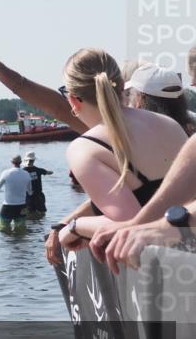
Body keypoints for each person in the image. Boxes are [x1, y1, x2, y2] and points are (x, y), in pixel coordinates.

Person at [55, 49, 187, 250]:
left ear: (73, 99)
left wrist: (75, 227)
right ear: (122, 85)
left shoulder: (85, 149)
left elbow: (133, 226)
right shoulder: (169, 124)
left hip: (164, 269)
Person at [0, 43, 88, 134]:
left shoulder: (98, 130)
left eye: (67, 92)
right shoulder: (104, 128)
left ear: (75, 100)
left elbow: (57, 106)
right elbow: (57, 106)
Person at [124, 62, 194, 136]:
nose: (128, 100)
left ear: (140, 99)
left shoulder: (132, 135)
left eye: (130, 94)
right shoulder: (191, 132)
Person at [0, 155, 32, 233]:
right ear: (21, 162)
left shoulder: (6, 173)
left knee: (4, 231)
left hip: (7, 207)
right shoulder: (26, 174)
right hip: (21, 207)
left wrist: (5, 191)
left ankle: (9, 244)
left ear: (11, 162)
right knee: (21, 232)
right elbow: (30, 192)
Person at [22, 152, 53, 218]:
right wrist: (49, 172)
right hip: (39, 196)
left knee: (29, 214)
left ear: (25, 160)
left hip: (27, 196)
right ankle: (39, 227)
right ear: (34, 160)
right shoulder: (38, 170)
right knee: (42, 214)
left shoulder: (22, 171)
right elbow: (49, 172)